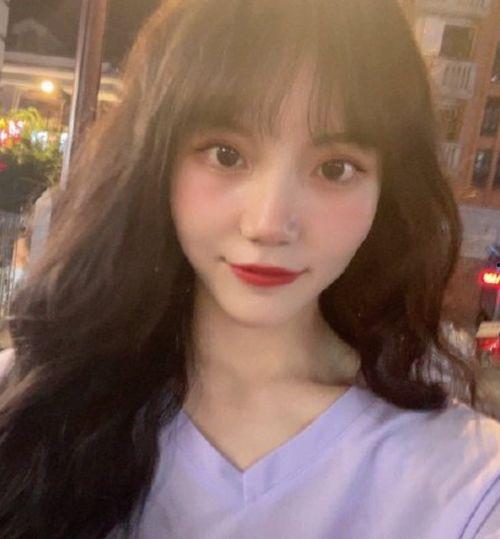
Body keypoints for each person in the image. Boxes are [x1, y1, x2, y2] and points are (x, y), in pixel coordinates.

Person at [0, 0, 498, 537]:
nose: (269, 223)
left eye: (335, 168)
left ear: (388, 193)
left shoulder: (467, 487)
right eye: (225, 154)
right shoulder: (25, 404)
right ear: (155, 162)